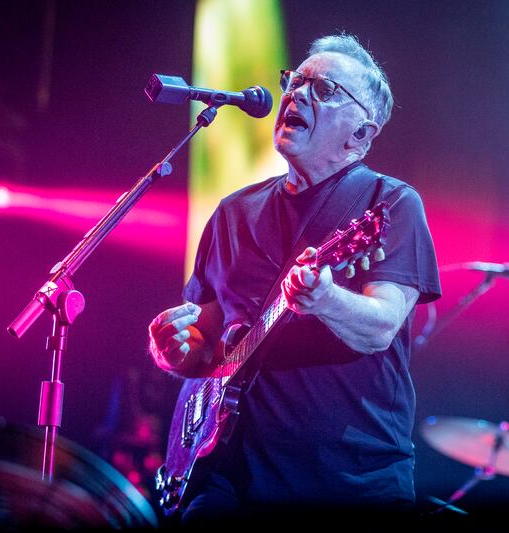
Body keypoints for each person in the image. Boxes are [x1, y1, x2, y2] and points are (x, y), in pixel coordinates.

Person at [148, 33, 441, 524]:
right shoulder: (232, 213)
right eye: (295, 81)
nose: (297, 95)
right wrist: (175, 348)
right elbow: (206, 337)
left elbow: (382, 325)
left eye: (324, 90)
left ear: (361, 135)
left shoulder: (387, 205)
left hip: (346, 480)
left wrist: (325, 299)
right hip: (227, 474)